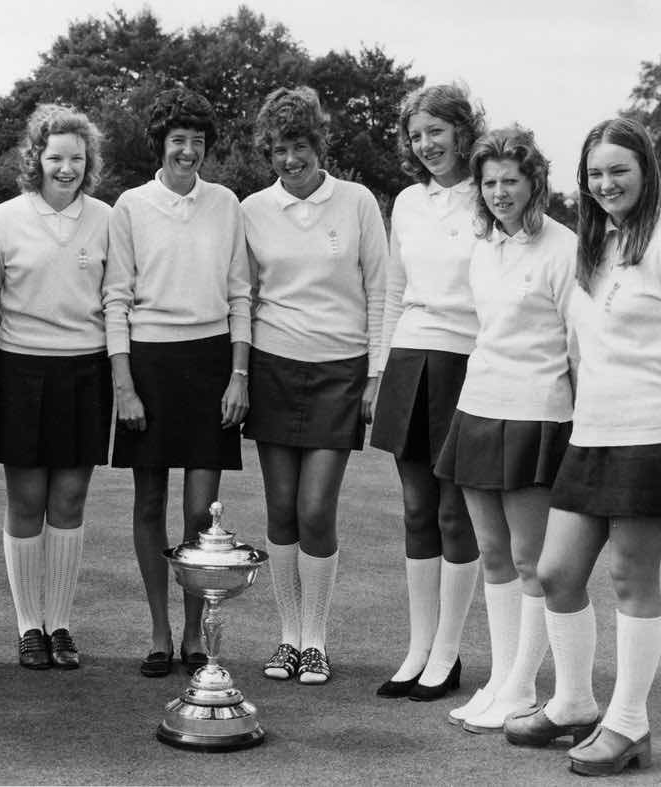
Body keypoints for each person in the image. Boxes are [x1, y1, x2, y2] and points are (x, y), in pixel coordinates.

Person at [503, 117, 661, 777]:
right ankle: (572, 703)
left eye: (619, 170)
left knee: (633, 580)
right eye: (595, 173)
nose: (606, 183)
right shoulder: (597, 245)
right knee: (556, 571)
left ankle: (628, 724)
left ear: (646, 171)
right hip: (590, 433)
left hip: (648, 435)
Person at [103, 87, 250, 677]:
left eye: (197, 141)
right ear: (160, 145)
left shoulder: (226, 203)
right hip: (149, 364)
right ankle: (160, 632)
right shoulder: (130, 206)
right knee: (149, 503)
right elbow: (116, 298)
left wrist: (239, 375)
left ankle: (195, 633)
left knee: (200, 512)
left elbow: (240, 294)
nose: (188, 151)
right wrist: (124, 385)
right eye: (177, 140)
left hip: (212, 363)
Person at [241, 86, 386, 684]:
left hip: (341, 371)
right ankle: (288, 638)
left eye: (299, 146)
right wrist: (241, 374)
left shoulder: (357, 202)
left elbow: (380, 289)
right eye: (278, 149)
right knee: (280, 509)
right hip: (274, 366)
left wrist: (377, 373)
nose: (290, 159)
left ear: (318, 144)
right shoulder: (252, 209)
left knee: (316, 509)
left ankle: (317, 640)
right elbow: (243, 297)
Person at [434, 126, 576, 731]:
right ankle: (501, 680)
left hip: (537, 414)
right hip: (479, 407)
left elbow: (575, 344)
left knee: (528, 559)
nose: (499, 192)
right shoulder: (483, 245)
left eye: (510, 181)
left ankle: (523, 686)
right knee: (492, 553)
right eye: (489, 182)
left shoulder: (564, 247)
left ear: (534, 181)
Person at [0, 104, 111, 670]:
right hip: (21, 371)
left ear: (88, 162)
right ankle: (28, 626)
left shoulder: (105, 218)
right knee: (27, 500)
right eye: (55, 157)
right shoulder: (4, 219)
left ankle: (60, 625)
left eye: (76, 158)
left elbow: (116, 300)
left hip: (86, 371)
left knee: (70, 500)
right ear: (36, 158)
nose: (66, 168)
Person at [372, 83, 485, 701]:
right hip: (410, 360)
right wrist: (382, 369)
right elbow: (394, 291)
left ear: (462, 130)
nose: (426, 144)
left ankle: (448, 652)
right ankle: (417, 648)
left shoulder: (489, 195)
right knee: (417, 510)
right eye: (416, 135)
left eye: (436, 131)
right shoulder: (409, 203)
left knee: (453, 512)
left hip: (468, 362)